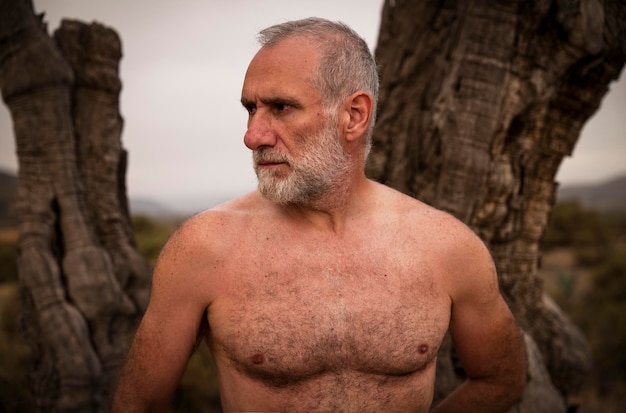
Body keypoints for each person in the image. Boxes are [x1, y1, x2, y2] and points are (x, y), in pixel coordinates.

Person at [112, 17, 526, 413]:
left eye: (281, 107)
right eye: (250, 109)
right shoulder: (204, 248)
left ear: (354, 116)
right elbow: (137, 405)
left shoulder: (445, 246)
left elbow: (500, 378)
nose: (252, 135)